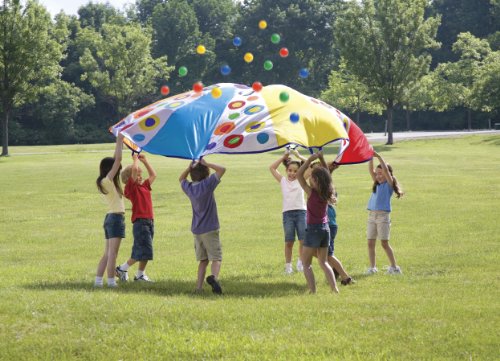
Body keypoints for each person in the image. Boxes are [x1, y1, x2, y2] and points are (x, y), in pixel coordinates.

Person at [180, 158, 226, 294]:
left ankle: (198, 288)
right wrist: (208, 163)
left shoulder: (189, 188)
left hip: (197, 230)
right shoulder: (208, 184)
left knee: (203, 260)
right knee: (216, 258)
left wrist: (189, 168)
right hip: (210, 228)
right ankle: (214, 278)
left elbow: (181, 179)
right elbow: (222, 169)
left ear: (192, 174)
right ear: (206, 172)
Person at [296, 153, 339, 294]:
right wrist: (321, 159)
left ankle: (312, 290)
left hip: (313, 229)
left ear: (315, 181)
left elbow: (299, 175)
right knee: (323, 262)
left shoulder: (311, 193)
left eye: (312, 178)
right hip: (325, 229)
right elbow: (328, 175)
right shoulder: (328, 192)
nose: (309, 179)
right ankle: (334, 289)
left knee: (306, 263)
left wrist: (309, 160)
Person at [312, 154, 355, 285]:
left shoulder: (326, 188)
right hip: (329, 225)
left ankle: (345, 277)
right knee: (315, 252)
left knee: (327, 254)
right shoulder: (327, 186)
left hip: (327, 224)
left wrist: (321, 160)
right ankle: (335, 269)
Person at [115, 153, 157, 283]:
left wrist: (145, 161)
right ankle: (122, 268)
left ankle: (139, 275)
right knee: (143, 250)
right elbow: (133, 170)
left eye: (140, 174)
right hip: (141, 223)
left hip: (149, 222)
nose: (140, 176)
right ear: (129, 179)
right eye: (137, 175)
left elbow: (153, 175)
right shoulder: (130, 188)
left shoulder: (144, 186)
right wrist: (135, 160)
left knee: (146, 250)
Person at [366, 151, 404, 275]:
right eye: (377, 174)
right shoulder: (377, 184)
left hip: (383, 217)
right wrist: (370, 157)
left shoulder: (389, 184)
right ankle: (372, 268)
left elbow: (386, 172)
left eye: (381, 174)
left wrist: (379, 157)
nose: (378, 176)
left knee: (384, 243)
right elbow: (371, 170)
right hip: (372, 216)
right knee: (370, 243)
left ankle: (394, 267)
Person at [94, 133, 125, 288]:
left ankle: (98, 281)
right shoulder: (107, 181)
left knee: (107, 253)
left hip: (109, 219)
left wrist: (118, 143)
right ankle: (111, 282)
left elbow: (116, 161)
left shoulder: (105, 181)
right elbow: (118, 160)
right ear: (109, 169)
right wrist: (119, 140)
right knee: (113, 253)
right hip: (115, 219)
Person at [269, 149, 307, 274]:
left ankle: (300, 262)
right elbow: (272, 168)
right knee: (289, 242)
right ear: (286, 171)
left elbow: (311, 167)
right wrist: (283, 157)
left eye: (296, 171)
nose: (292, 173)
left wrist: (298, 155)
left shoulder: (301, 180)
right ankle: (288, 266)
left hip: (301, 213)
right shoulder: (283, 181)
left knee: (303, 240)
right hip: (288, 215)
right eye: (290, 170)